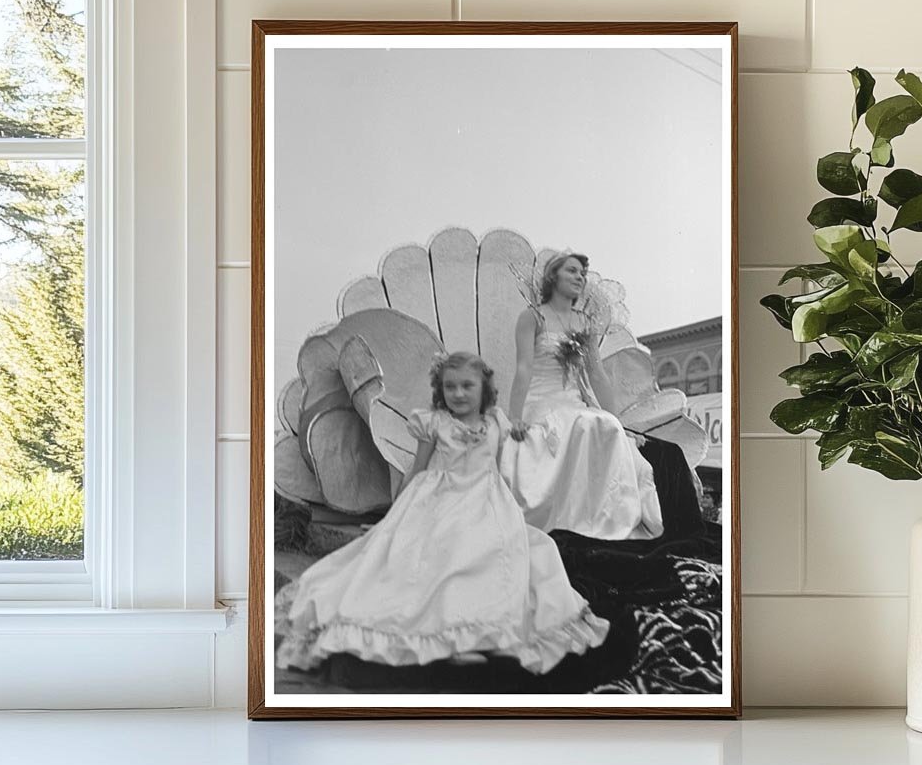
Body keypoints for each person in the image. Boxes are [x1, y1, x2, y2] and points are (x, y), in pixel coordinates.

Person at [276, 350, 609, 676]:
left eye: (467, 386)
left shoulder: (496, 422)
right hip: (437, 499)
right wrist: (392, 517)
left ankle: (484, 633)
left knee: (525, 552)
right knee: (442, 553)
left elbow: (504, 469)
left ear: (484, 390)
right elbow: (418, 469)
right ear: (440, 390)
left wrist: (516, 505)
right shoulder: (434, 423)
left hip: (486, 499)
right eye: (450, 387)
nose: (458, 394)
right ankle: (448, 639)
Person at [500, 252, 665, 541]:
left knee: (604, 425)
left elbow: (597, 374)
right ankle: (568, 520)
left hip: (574, 403)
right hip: (542, 402)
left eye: (582, 274)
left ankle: (605, 522)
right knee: (583, 424)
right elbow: (524, 368)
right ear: (553, 277)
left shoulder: (584, 324)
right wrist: (515, 416)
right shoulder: (532, 317)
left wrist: (618, 421)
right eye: (572, 271)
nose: (580, 278)